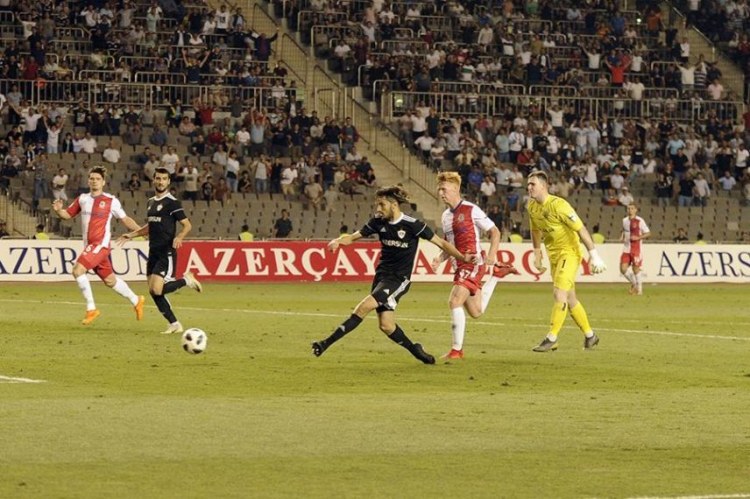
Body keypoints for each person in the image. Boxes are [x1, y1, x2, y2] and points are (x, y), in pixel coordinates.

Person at [312, 185, 476, 364]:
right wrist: (337, 241)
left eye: (382, 205)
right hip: (381, 277)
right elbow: (352, 237)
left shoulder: (413, 225)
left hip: (399, 279)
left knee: (364, 307)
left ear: (394, 204)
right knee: (386, 325)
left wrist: (462, 258)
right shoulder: (378, 222)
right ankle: (417, 351)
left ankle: (324, 344)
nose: (378, 209)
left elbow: (442, 243)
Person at [432, 171, 518, 359]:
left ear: (456, 189)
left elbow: (495, 232)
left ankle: (456, 350)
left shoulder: (471, 209)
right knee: (476, 311)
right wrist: (440, 258)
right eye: (439, 190)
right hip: (459, 266)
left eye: (444, 189)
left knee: (454, 301)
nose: (441, 193)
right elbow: (449, 245)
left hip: (473, 263)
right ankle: (497, 275)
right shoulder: (445, 216)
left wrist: (492, 255)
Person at [52, 166, 145, 325]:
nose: (94, 181)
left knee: (77, 270)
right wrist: (58, 210)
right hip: (90, 246)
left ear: (103, 182)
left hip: (100, 245)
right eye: (92, 178)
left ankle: (91, 309)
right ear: (88, 181)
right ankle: (136, 300)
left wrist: (141, 231)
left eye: (98, 179)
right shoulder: (82, 199)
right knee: (110, 281)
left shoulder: (111, 200)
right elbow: (67, 215)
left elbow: (125, 219)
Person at [526, 171, 607, 352]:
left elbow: (581, 229)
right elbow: (535, 230)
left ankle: (552, 338)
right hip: (554, 255)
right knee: (570, 298)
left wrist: (594, 255)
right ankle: (590, 336)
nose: (529, 187)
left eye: (532, 184)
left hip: (569, 253)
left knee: (559, 294)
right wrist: (537, 253)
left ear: (543, 186)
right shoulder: (531, 206)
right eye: (528, 184)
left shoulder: (559, 205)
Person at [117, 168, 202, 335]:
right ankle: (174, 324)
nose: (161, 181)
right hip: (153, 251)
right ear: (154, 180)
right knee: (153, 291)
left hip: (166, 251)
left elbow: (187, 225)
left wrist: (180, 237)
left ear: (168, 181)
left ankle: (186, 280)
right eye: (158, 178)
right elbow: (150, 226)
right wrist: (131, 235)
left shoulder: (172, 203)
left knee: (157, 289)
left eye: (164, 179)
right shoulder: (151, 202)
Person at [620, 203, 651, 296]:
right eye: (628, 208)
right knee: (623, 269)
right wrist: (622, 236)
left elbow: (648, 233)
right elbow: (624, 230)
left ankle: (639, 290)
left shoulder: (640, 221)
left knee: (635, 269)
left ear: (636, 210)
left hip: (636, 249)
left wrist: (638, 237)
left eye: (632, 208)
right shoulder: (624, 220)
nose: (630, 210)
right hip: (626, 248)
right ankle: (634, 283)